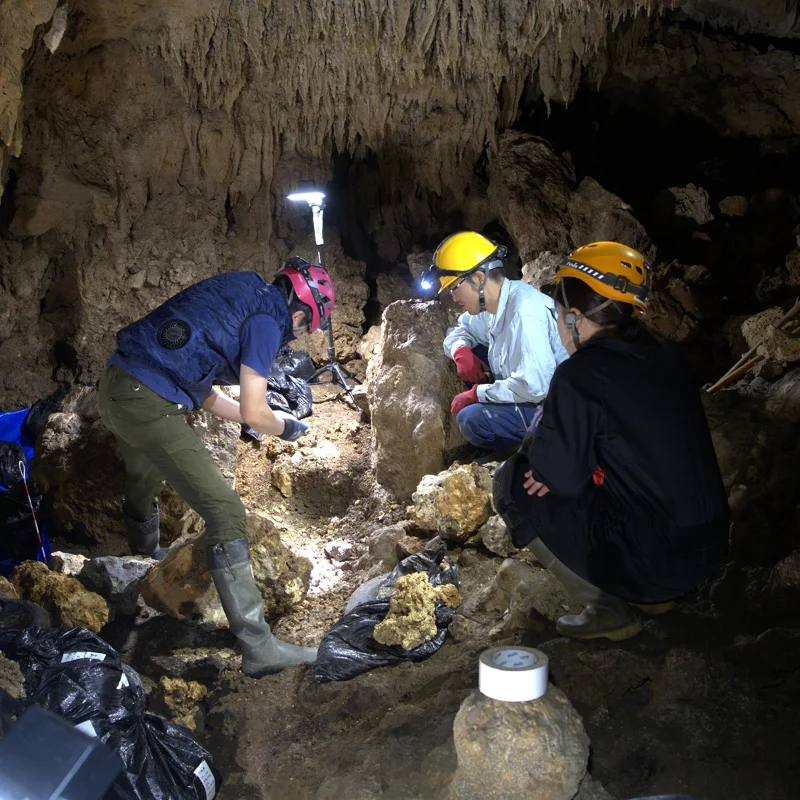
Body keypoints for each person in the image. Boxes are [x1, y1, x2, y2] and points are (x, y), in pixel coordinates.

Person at [97, 257, 334, 676]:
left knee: (145, 472)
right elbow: (256, 409)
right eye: (303, 329)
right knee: (226, 513)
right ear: (298, 312)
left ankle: (143, 553)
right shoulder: (267, 320)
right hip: (147, 402)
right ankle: (259, 647)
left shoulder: (240, 290)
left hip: (116, 387)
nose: (296, 337)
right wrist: (285, 427)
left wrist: (256, 416)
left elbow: (204, 391)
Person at [493, 241, 729, 641]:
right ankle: (655, 597)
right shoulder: (669, 354)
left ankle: (607, 609)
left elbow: (559, 477)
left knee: (512, 483)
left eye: (558, 315)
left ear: (576, 317)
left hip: (658, 561)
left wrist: (551, 462)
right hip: (709, 551)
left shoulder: (581, 375)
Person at [426, 231, 568, 457]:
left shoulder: (524, 313)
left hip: (554, 411)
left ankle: (527, 456)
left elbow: (534, 386)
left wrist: (477, 394)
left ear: (479, 278)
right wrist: (460, 350)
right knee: (473, 347)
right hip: (530, 392)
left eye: (455, 287)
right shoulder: (494, 306)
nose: (453, 297)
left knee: (472, 420)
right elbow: (460, 330)